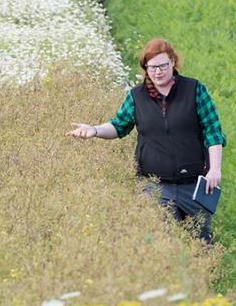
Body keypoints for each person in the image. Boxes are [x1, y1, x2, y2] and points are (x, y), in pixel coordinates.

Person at [66, 38, 225, 242]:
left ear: (173, 63)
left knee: (202, 244)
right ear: (145, 68)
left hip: (194, 186)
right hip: (154, 186)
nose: (157, 72)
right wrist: (94, 130)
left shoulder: (195, 90)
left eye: (162, 66)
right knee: (161, 243)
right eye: (152, 67)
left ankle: (204, 272)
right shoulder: (136, 97)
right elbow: (118, 125)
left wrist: (215, 169)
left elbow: (213, 130)